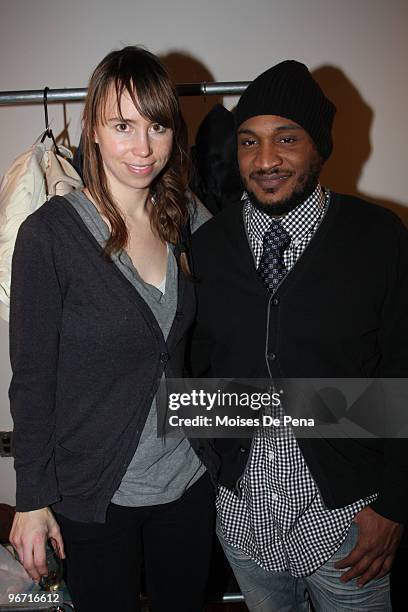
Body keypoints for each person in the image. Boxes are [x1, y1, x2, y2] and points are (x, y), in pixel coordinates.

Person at [190, 60, 408, 611]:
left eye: (286, 138)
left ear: (319, 146)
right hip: (244, 525)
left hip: (347, 525)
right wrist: (218, 476)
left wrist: (396, 505)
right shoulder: (207, 247)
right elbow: (195, 368)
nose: (265, 160)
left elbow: (401, 374)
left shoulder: (379, 238)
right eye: (248, 142)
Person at [9, 46, 214, 612]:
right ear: (92, 130)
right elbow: (30, 379)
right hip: (96, 493)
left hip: (188, 481)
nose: (143, 148)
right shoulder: (49, 237)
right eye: (123, 126)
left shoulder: (188, 219)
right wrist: (31, 500)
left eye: (157, 126)